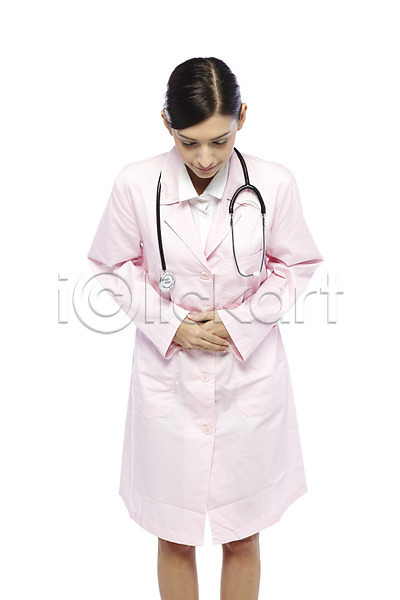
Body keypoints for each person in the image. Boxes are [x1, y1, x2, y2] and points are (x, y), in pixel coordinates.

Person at [87, 56, 323, 600]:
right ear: (166, 124)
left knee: (243, 534)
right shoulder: (136, 183)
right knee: (174, 535)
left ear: (242, 117)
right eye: (188, 142)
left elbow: (296, 264)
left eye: (220, 140)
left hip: (249, 377)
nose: (205, 158)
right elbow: (111, 263)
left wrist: (240, 324)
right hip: (168, 378)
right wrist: (171, 325)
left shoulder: (273, 183)